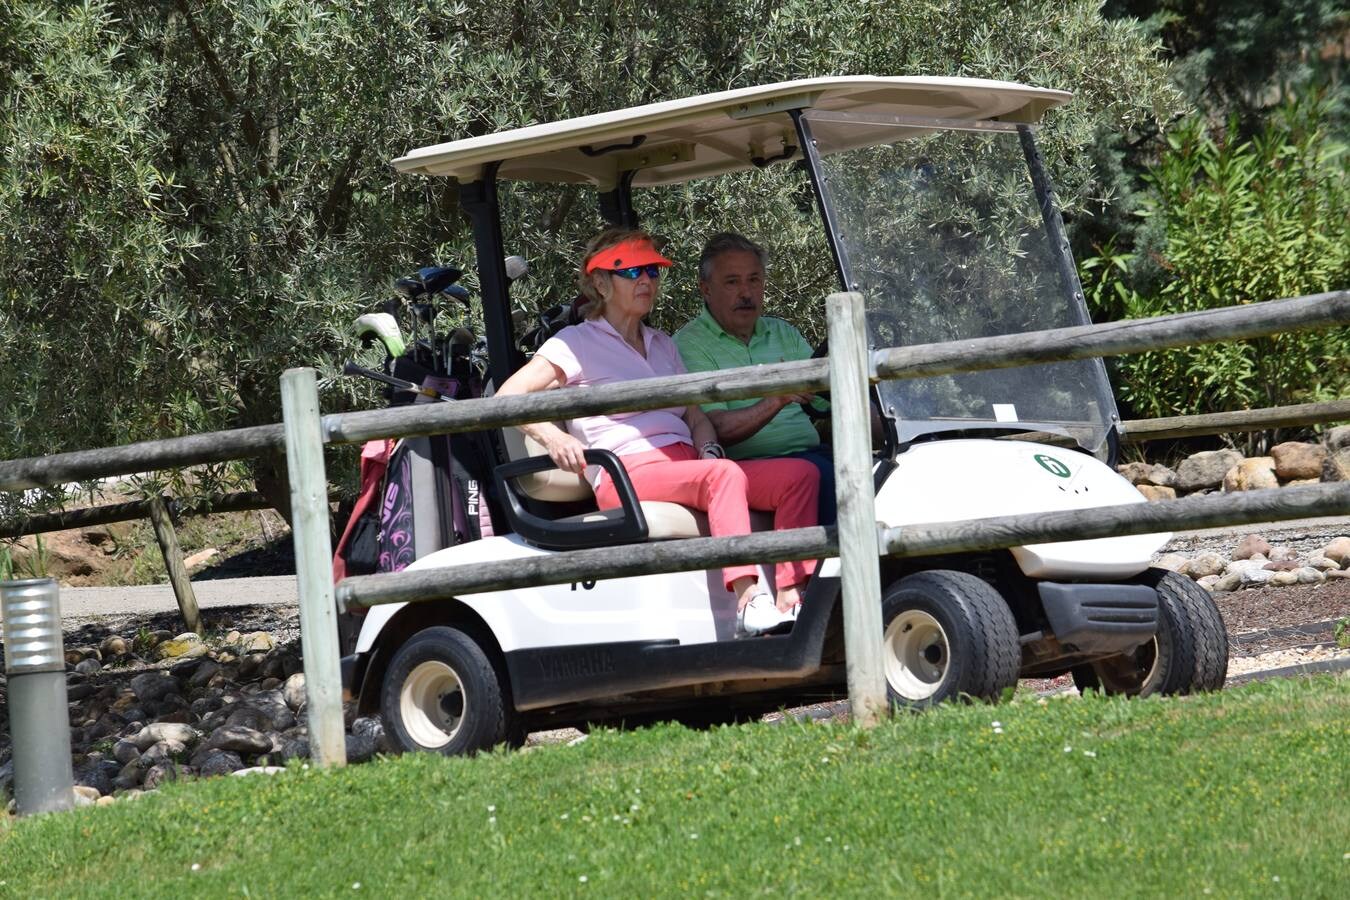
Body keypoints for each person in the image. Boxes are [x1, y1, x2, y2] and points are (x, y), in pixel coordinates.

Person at [494, 228, 820, 636]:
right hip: (624, 472)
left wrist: (709, 449)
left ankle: (792, 596)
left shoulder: (663, 344)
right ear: (600, 283)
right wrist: (555, 437)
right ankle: (748, 599)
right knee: (724, 476)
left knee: (799, 476)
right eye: (631, 272)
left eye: (652, 270)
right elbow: (509, 396)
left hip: (682, 464)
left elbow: (696, 415)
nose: (646, 280)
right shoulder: (575, 343)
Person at [674, 232, 836, 525]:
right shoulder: (687, 345)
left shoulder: (783, 333)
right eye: (732, 282)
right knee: (827, 477)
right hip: (747, 466)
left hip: (811, 454)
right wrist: (778, 398)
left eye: (754, 280)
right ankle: (835, 568)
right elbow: (717, 426)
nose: (746, 293)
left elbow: (828, 397)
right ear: (705, 289)